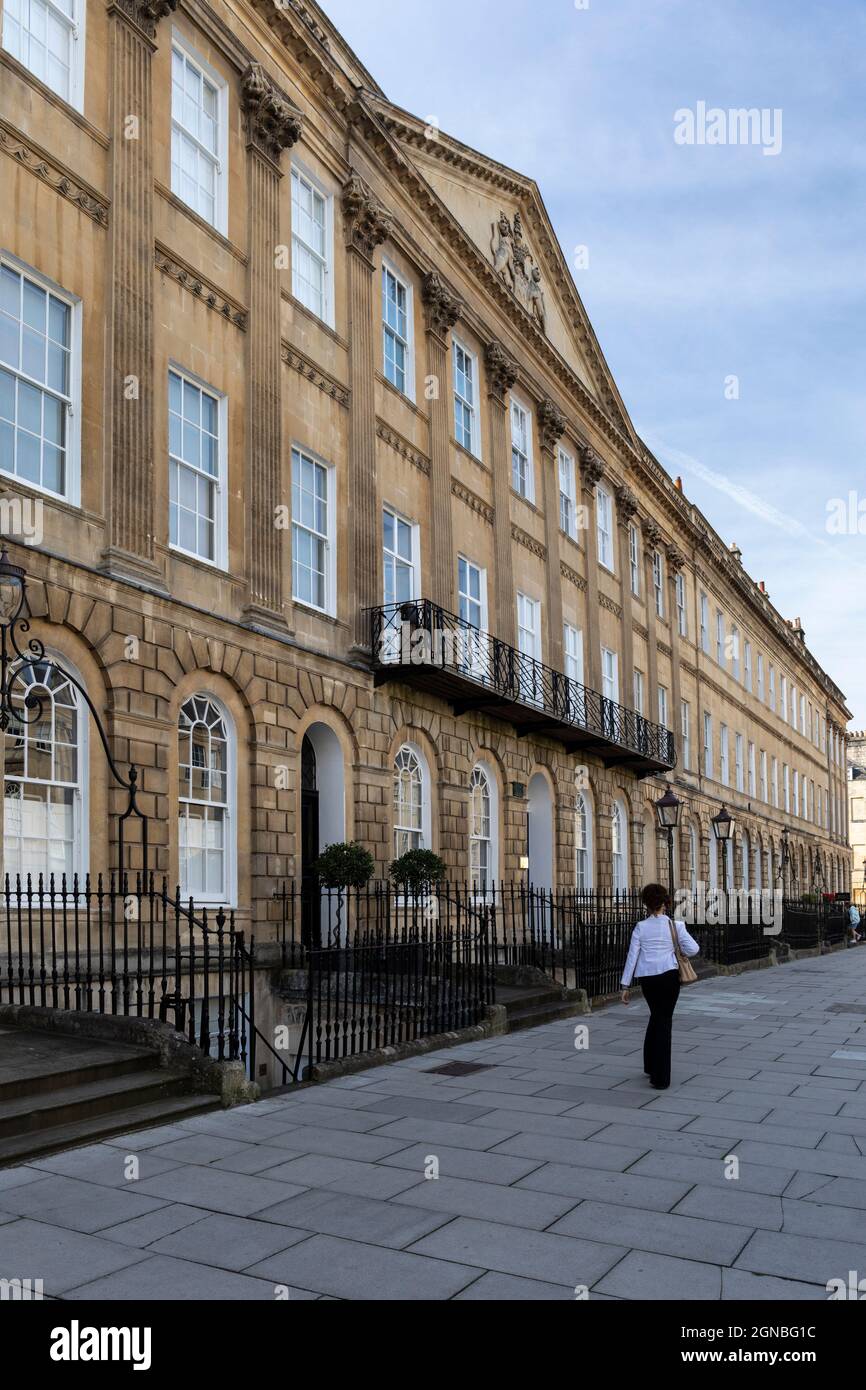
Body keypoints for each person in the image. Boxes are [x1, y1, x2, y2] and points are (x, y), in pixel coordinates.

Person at [620, 882, 701, 1090]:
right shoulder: (676, 926)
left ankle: (650, 1065)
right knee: (664, 1022)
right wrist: (678, 949)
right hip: (669, 976)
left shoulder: (641, 927)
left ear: (646, 904)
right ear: (665, 902)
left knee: (656, 1017)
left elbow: (632, 956)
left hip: (648, 978)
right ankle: (661, 1077)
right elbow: (693, 949)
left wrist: (625, 986)